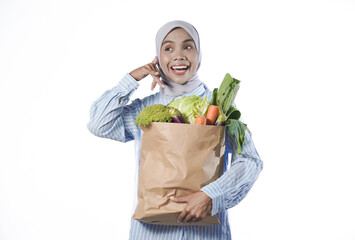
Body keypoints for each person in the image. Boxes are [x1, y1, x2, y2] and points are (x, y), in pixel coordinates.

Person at [87, 20, 263, 239]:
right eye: (168, 48)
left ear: (199, 54)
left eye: (188, 47)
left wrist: (211, 195)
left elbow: (250, 161)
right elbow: (99, 124)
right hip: (150, 233)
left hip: (205, 233)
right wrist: (132, 78)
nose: (179, 55)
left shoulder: (218, 106)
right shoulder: (145, 108)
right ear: (158, 57)